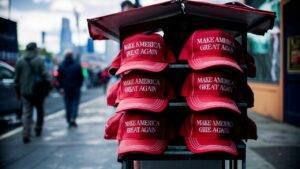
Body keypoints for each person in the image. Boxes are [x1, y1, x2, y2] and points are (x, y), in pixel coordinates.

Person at [14, 42, 50, 143]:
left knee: (26, 112)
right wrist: (49, 85)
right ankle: (38, 128)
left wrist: (17, 92)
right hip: (38, 91)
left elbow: (16, 79)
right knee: (40, 110)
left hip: (25, 92)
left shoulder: (19, 61)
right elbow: (44, 75)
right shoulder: (39, 60)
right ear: (35, 49)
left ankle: (26, 133)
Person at [58, 50, 83, 128]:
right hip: (76, 88)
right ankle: (73, 118)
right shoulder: (77, 65)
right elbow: (81, 77)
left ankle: (69, 120)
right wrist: (79, 85)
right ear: (72, 56)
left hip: (66, 88)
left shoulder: (61, 65)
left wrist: (61, 87)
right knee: (75, 104)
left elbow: (59, 78)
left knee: (67, 105)